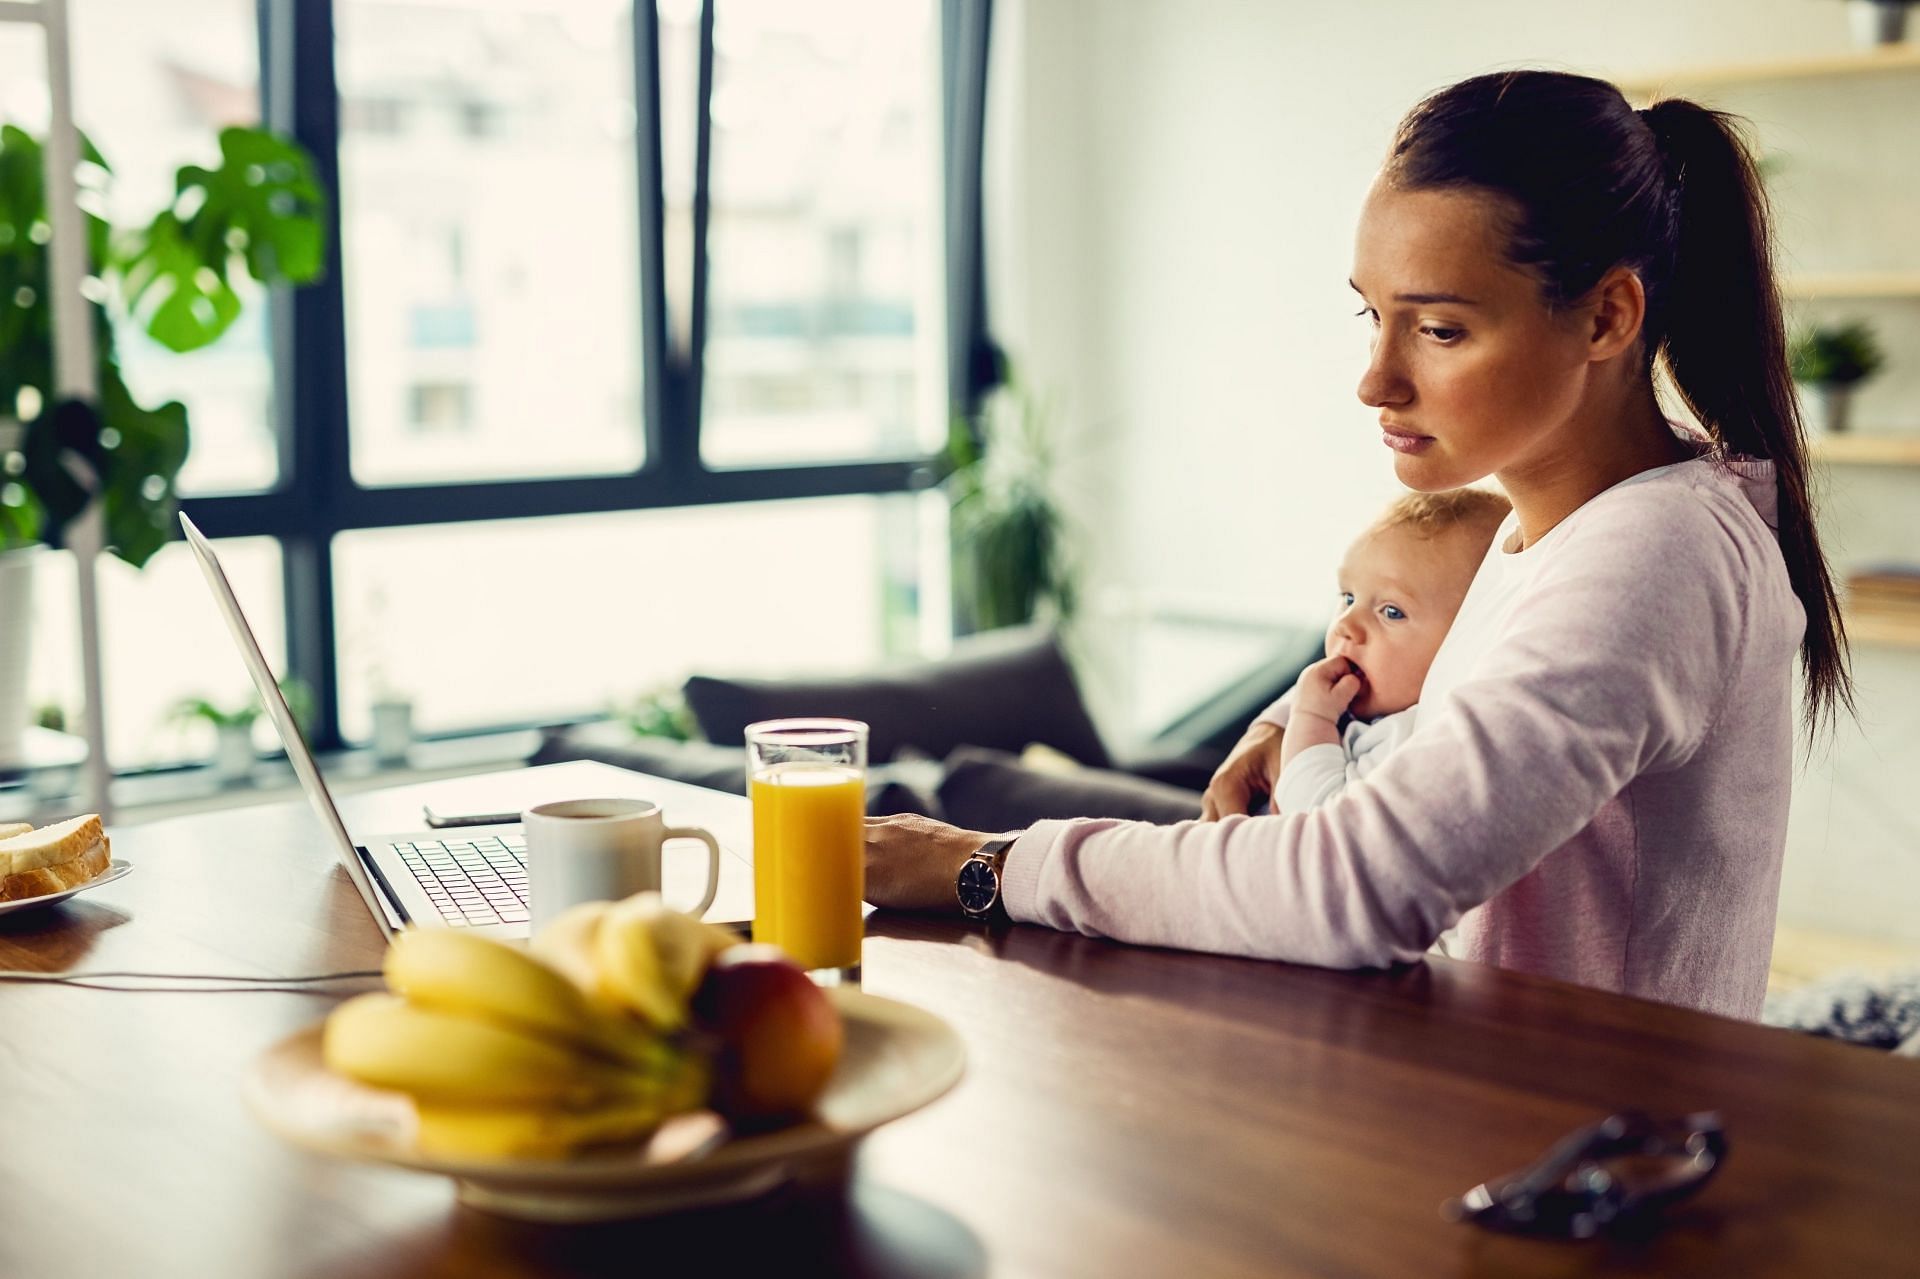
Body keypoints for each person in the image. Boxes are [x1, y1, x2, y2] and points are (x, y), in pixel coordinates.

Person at [864, 69, 1850, 1019]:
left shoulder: (1657, 551)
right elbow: (1487, 737)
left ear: (1606, 316)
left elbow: (1364, 884)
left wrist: (991, 863)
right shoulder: (1558, 524)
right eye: (1374, 315)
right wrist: (1291, 724)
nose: (1375, 380)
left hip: (1586, 1155)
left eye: (1441, 330)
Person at [1272, 488, 1510, 815]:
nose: (1345, 624)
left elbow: (1320, 816)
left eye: (1392, 612)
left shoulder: (1408, 739)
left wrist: (1311, 717)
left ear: (1465, 642)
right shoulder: (1376, 706)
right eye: (1348, 598)